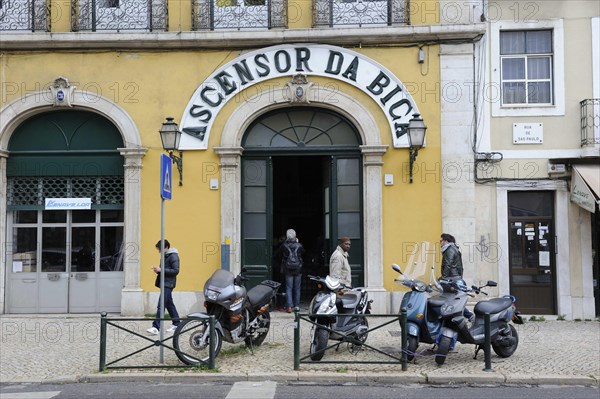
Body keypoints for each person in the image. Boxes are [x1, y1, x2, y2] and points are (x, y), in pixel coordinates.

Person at [147, 239, 181, 335]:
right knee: (169, 304)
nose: (159, 251)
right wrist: (158, 270)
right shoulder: (166, 256)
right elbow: (165, 270)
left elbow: (176, 271)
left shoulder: (173, 256)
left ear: (166, 247)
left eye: (160, 249)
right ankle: (177, 323)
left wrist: (161, 269)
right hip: (165, 283)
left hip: (168, 284)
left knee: (161, 305)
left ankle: (155, 327)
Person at [440, 233, 474, 322]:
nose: (440, 243)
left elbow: (448, 264)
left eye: (441, 241)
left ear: (446, 241)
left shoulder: (449, 250)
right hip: (455, 277)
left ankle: (469, 316)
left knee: (452, 300)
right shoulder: (454, 248)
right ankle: (469, 316)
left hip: (451, 278)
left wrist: (443, 278)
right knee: (454, 300)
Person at [278, 229, 305, 313]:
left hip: (288, 269)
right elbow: (303, 253)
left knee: (288, 288)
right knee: (297, 288)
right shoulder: (299, 245)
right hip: (298, 269)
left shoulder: (284, 245)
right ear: (295, 236)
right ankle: (296, 306)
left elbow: (279, 254)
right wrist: (298, 242)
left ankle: (289, 306)